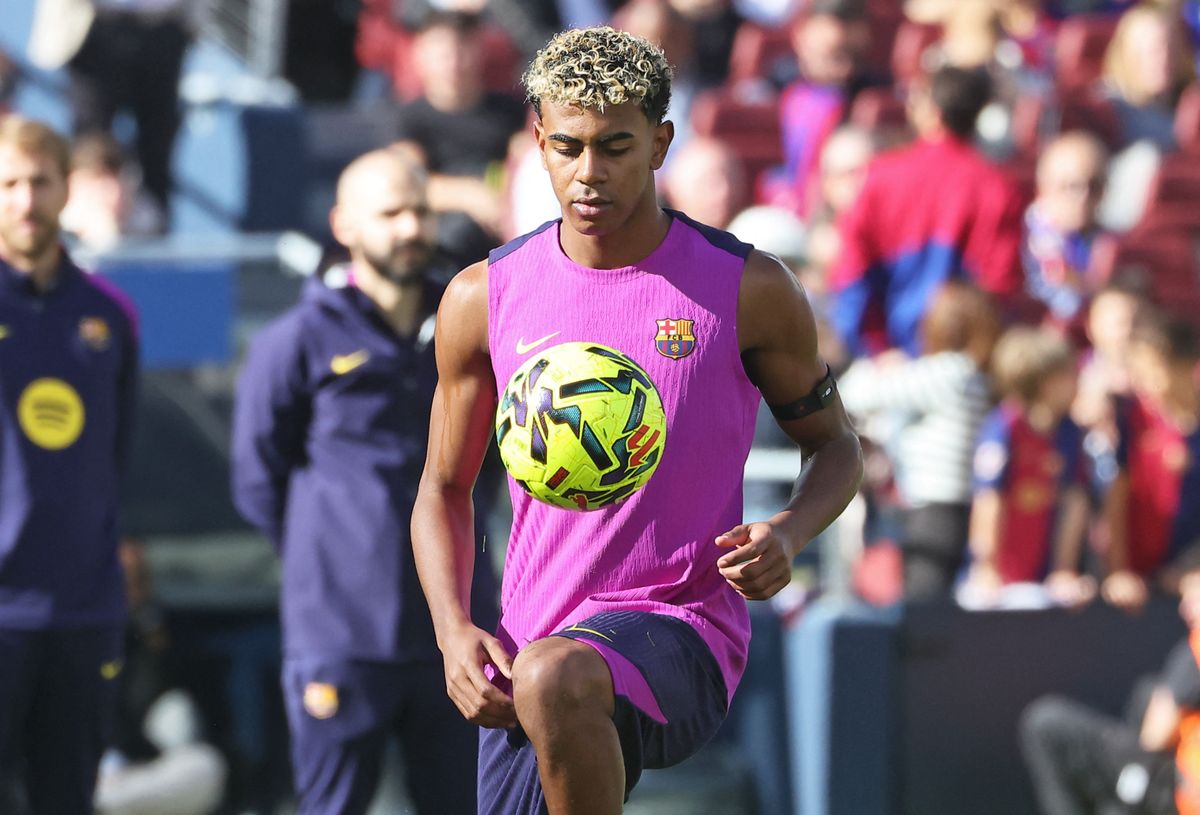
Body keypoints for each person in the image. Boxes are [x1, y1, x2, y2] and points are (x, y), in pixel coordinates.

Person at [410, 26, 863, 813]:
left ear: (660, 144)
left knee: (559, 674)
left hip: (680, 627)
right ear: (538, 143)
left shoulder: (748, 287)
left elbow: (837, 448)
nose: (589, 173)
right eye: (569, 147)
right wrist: (454, 629)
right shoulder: (480, 297)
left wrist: (788, 532)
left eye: (615, 147)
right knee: (551, 674)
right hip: (532, 643)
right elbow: (443, 489)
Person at [231, 148, 497, 814]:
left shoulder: (469, 325)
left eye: (420, 211)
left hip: (461, 632)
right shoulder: (294, 340)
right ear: (343, 224)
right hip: (341, 634)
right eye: (390, 213)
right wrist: (333, 554)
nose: (410, 228)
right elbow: (256, 476)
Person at [0, 115, 140, 812]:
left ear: (65, 189)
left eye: (40, 182)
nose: (26, 200)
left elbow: (114, 454)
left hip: (82, 609)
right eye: (9, 184)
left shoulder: (107, 316)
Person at [832, 65, 1027, 358]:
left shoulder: (880, 177)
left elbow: (851, 274)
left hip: (888, 364)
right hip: (965, 365)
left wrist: (872, 349)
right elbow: (999, 286)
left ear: (932, 111)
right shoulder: (998, 187)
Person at [839, 281, 1001, 602]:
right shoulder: (976, 376)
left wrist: (875, 366)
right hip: (952, 508)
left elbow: (851, 395)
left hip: (932, 511)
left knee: (922, 622)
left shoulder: (949, 373)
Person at [1020, 567, 1200, 815]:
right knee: (1146, 691)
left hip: (1181, 794)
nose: (1184, 609)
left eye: (1192, 598)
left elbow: (1156, 737)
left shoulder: (1196, 647)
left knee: (1045, 723)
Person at [961, 326, 1095, 608]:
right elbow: (988, 500)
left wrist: (1063, 570)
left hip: (1042, 580)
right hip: (998, 583)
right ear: (1046, 382)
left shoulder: (1070, 433)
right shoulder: (1003, 429)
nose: (1077, 381)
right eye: (1069, 375)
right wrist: (987, 568)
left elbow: (1074, 501)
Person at [1102, 312, 1200, 612]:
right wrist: (1118, 571)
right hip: (1139, 584)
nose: (1141, 379)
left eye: (1151, 368)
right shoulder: (1131, 419)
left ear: (1186, 366)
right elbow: (1116, 497)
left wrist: (1191, 570)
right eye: (1137, 369)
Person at [1022, 131, 1110, 329]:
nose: (1083, 197)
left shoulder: (1109, 244)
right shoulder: (1020, 236)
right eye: (1071, 186)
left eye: (1094, 186)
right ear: (1043, 187)